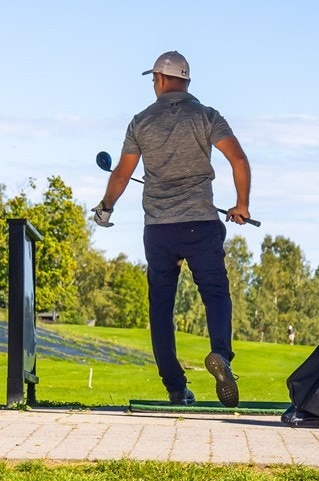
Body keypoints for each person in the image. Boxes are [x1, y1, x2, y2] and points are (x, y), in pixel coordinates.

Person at [92, 50, 251, 407]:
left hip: (160, 230)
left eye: (153, 80)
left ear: (161, 80)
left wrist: (105, 208)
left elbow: (120, 173)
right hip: (201, 224)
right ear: (186, 81)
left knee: (161, 307)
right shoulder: (207, 116)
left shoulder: (141, 122)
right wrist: (241, 205)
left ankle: (176, 388)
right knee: (214, 292)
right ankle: (221, 354)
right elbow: (238, 159)